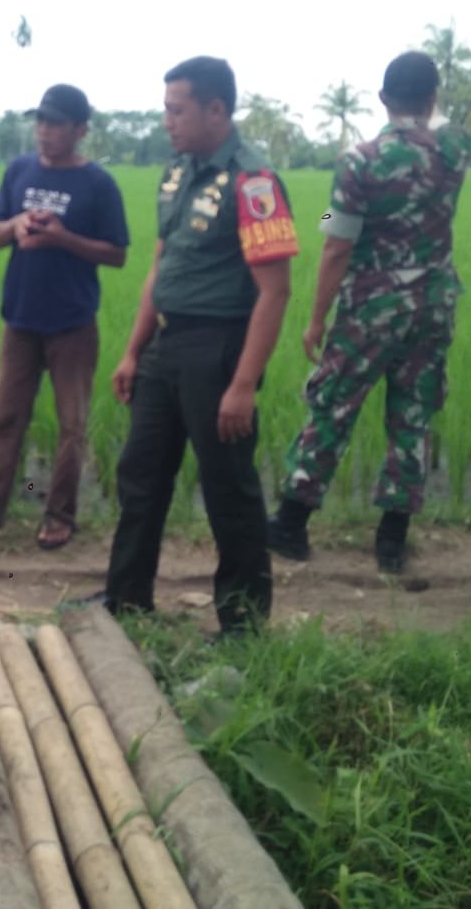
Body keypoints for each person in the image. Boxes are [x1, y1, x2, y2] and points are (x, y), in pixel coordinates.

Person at [97, 56, 296, 636]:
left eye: (177, 110)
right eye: (166, 109)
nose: (168, 121)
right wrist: (134, 351)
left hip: (219, 351)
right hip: (166, 345)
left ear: (216, 109)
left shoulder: (254, 182)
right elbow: (161, 266)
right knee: (140, 476)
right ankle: (126, 602)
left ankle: (242, 626)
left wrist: (243, 385)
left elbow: (275, 291)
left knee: (227, 489)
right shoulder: (177, 172)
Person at [267, 52, 471, 574]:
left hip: (371, 308)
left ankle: (291, 523)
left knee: (333, 404)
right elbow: (441, 127)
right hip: (433, 304)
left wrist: (317, 317)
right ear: (433, 98)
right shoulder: (455, 151)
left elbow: (336, 242)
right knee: (413, 414)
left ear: (382, 99)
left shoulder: (359, 161)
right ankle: (392, 540)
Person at [0, 84, 129, 549]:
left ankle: (59, 516)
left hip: (72, 323)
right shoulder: (19, 170)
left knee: (71, 426)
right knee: (4, 418)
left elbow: (117, 254)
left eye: (55, 123)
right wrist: (16, 224)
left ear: (80, 130)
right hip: (20, 318)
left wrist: (63, 238)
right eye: (40, 121)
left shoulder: (98, 184)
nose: (44, 130)